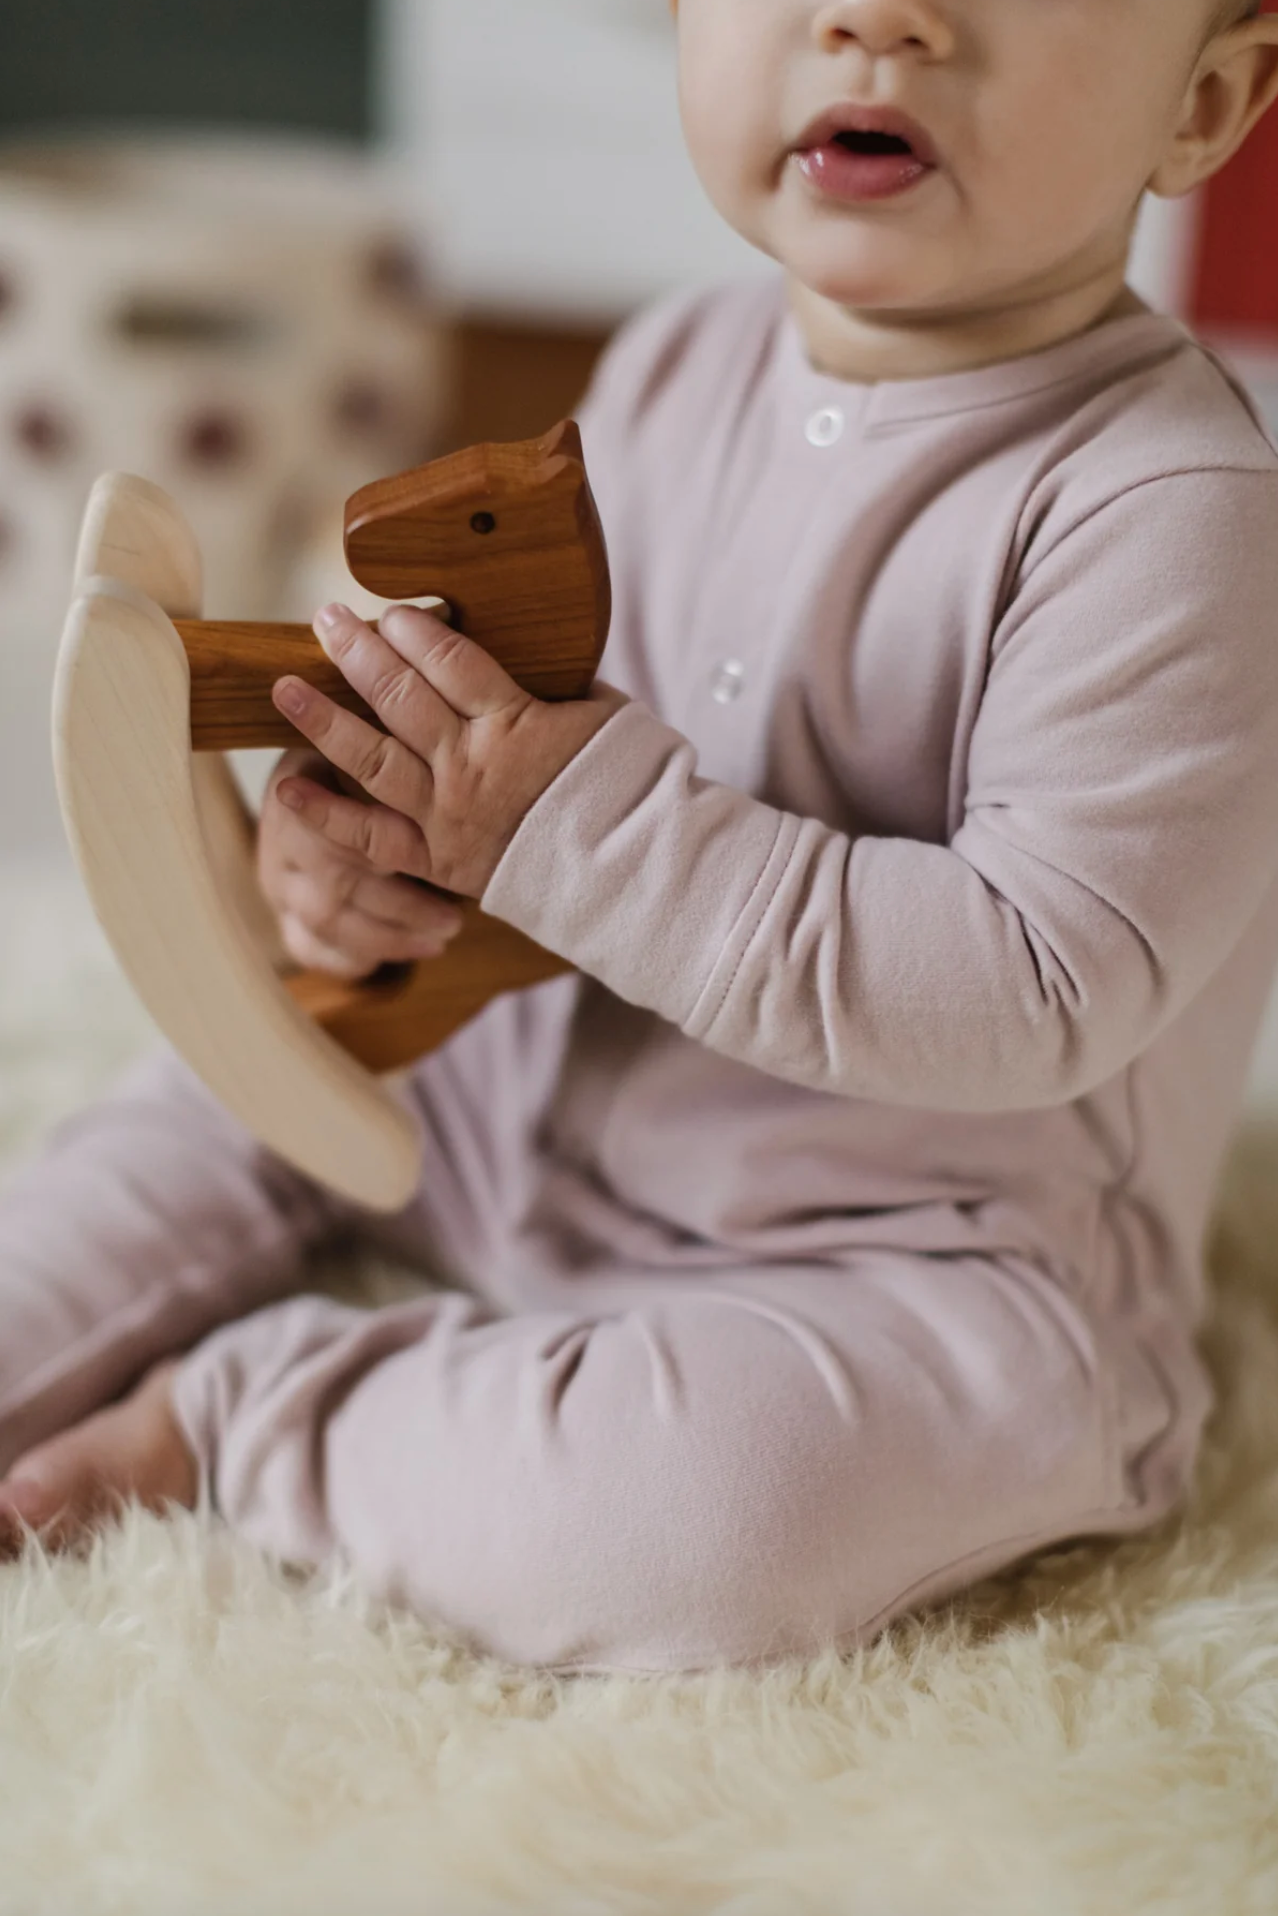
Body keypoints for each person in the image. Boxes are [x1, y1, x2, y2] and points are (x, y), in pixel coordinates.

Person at [2, 0, 1277, 1677]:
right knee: (188, 1106)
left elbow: (1039, 981)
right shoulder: (670, 370)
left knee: (719, 1526)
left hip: (909, 1249)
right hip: (500, 1092)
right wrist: (362, 880)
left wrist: (560, 821)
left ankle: (255, 1417)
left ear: (1201, 101)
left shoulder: (1162, 507)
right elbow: (518, 839)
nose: (869, 18)